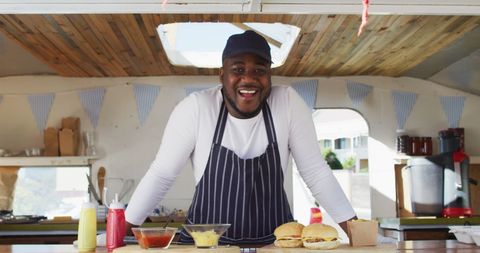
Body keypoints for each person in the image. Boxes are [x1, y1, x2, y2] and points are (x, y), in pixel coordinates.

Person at [125, 30, 356, 245]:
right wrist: (119, 235)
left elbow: (316, 172)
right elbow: (162, 175)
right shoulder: (196, 109)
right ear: (222, 75)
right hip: (207, 247)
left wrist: (359, 235)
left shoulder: (287, 103)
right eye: (238, 69)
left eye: (259, 70)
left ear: (269, 75)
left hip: (273, 245)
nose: (249, 79)